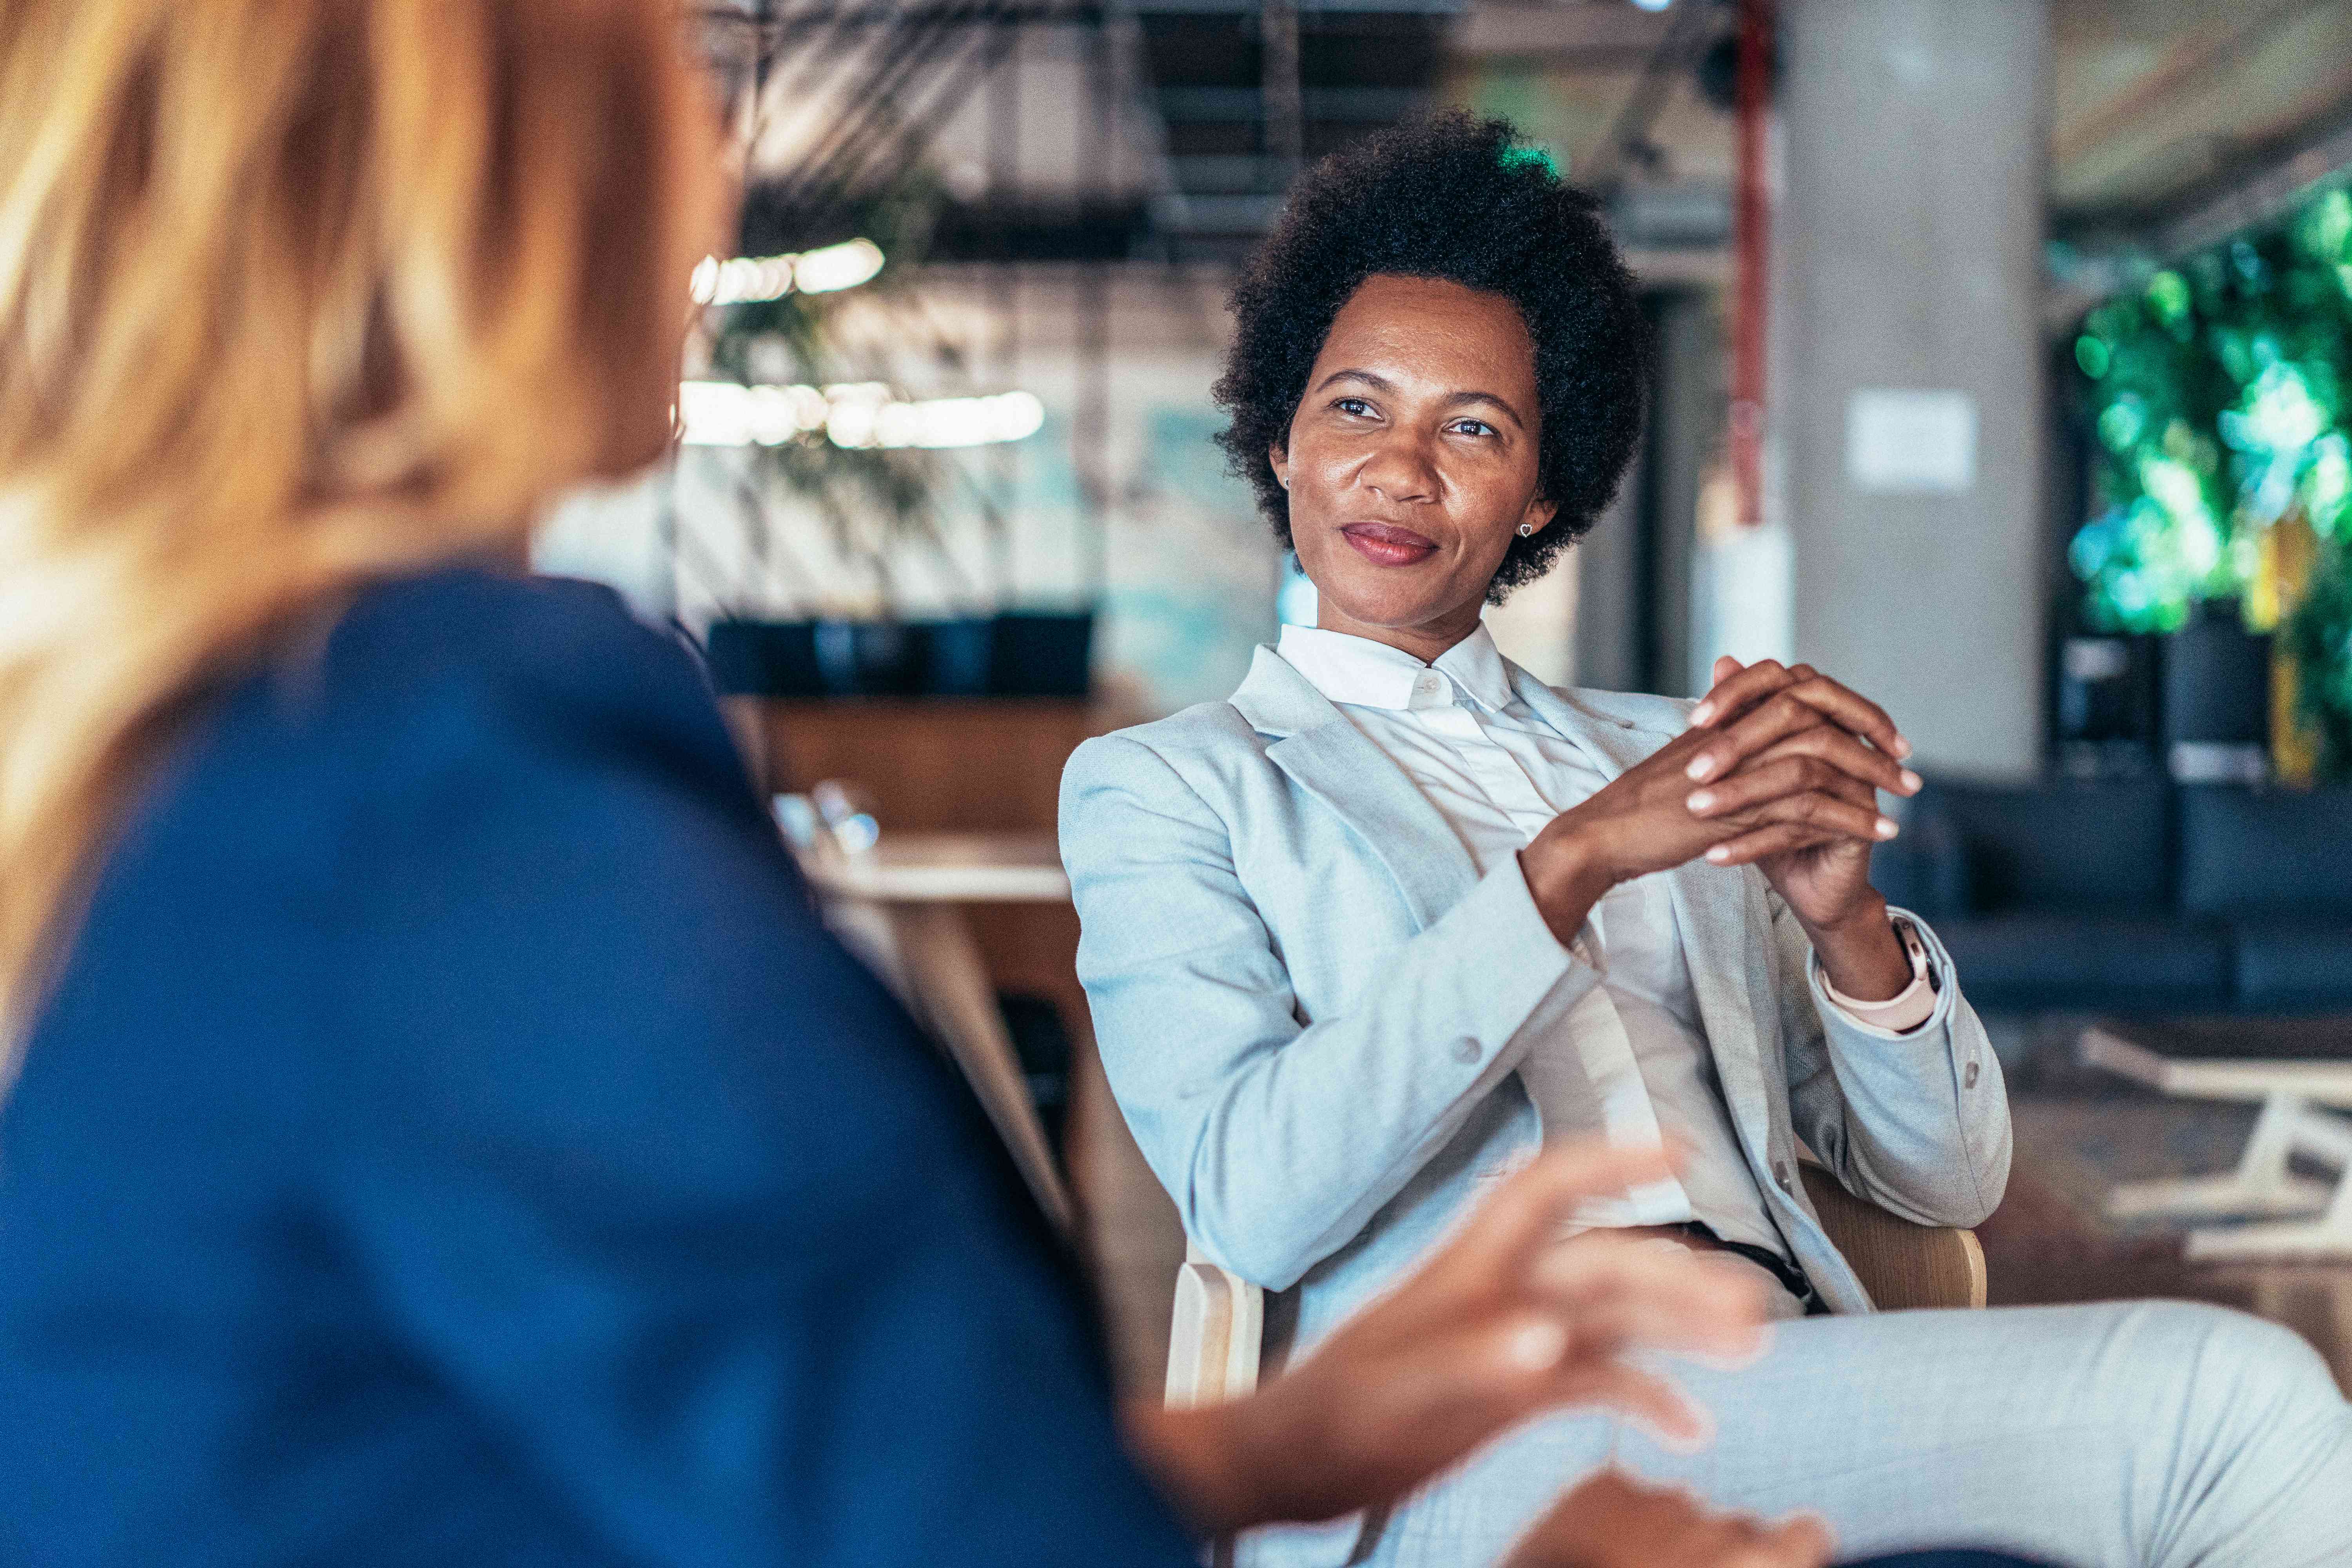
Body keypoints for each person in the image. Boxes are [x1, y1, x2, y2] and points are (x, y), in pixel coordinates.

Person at [0, 4, 1907, 1566]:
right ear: (509, 182)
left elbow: (689, 1468)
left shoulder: (208, 758)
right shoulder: (465, 807)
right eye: (680, 64)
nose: (720, 157)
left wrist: (1265, 1452)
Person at [1059, 111, 2352, 1568]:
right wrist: (1566, 868)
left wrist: (1845, 921)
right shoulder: (1172, 786)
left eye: (1471, 428)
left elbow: (1945, 1187)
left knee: (2238, 1423)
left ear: (1543, 491)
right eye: (1356, 409)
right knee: (2235, 1406)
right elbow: (1253, 1196)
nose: (1402, 469)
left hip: (1771, 1361)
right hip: (1469, 1422)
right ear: (1283, 441)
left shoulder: (1662, 748)